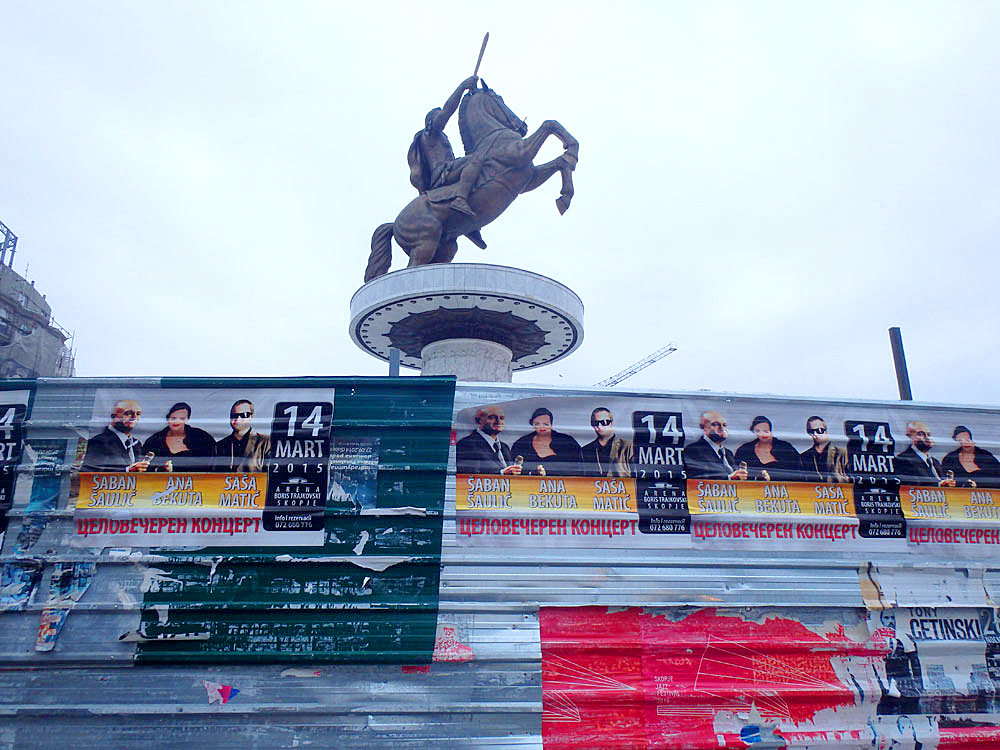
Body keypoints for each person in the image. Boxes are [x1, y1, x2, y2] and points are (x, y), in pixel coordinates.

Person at [408, 75, 485, 229]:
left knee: (475, 174)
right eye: (437, 115)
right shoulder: (430, 133)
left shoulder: (440, 136)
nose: (440, 116)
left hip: (449, 170)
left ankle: (468, 225)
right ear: (430, 120)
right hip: (442, 174)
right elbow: (447, 111)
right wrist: (462, 87)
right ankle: (460, 200)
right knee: (475, 160)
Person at [142, 402, 216, 472]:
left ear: (187, 419)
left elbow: (210, 464)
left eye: (181, 419)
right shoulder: (154, 441)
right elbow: (144, 467)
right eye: (173, 418)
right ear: (168, 418)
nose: (176, 422)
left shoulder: (202, 438)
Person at [82, 398, 152, 472]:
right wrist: (128, 470)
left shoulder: (136, 444)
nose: (134, 417)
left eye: (138, 414)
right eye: (128, 413)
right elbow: (90, 472)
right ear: (113, 416)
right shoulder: (98, 442)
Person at [510, 407, 583, 476]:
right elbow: (513, 468)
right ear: (533, 425)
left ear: (551, 424)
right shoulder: (522, 444)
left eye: (545, 424)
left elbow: (578, 468)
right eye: (537, 424)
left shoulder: (567, 442)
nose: (542, 427)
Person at [455, 404, 522, 475]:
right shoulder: (466, 444)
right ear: (478, 421)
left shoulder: (504, 447)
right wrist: (502, 473)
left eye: (502, 418)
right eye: (492, 417)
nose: (499, 422)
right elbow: (469, 476)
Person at [683, 411, 748, 480]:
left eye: (724, 425)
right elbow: (698, 477)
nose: (721, 428)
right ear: (703, 427)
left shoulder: (728, 453)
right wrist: (729, 478)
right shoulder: (694, 450)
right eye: (715, 424)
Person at [734, 416, 800, 481]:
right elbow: (736, 472)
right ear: (754, 432)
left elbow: (797, 472)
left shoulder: (785, 448)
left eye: (765, 431)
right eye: (758, 431)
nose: (763, 434)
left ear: (770, 431)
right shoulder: (745, 450)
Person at [214, 399, 271, 472]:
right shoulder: (219, 446)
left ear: (251, 416)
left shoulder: (265, 442)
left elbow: (270, 475)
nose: (238, 419)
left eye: (243, 415)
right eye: (234, 415)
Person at [894, 421, 956, 487]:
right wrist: (940, 485)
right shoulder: (903, 459)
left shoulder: (935, 462)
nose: (927, 438)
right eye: (921, 434)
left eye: (928, 434)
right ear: (910, 437)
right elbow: (910, 485)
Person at [581, 407, 633, 478]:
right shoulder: (585, 450)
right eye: (595, 423)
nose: (599, 426)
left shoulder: (627, 446)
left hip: (621, 488)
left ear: (611, 423)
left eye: (604, 422)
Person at [798, 416, 848, 483]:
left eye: (819, 431)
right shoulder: (804, 457)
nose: (815, 434)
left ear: (826, 430)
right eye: (811, 431)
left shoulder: (841, 453)